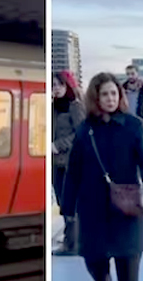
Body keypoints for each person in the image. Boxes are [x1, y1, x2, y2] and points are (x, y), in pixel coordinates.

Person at [60, 72, 143, 281]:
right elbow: (73, 171)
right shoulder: (86, 130)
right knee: (94, 259)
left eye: (114, 94)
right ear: (95, 97)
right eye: (104, 94)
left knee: (129, 257)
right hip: (92, 206)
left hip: (127, 204)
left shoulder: (134, 125)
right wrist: (68, 207)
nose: (110, 99)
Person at [52, 70, 85, 256]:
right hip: (56, 163)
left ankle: (72, 243)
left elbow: (80, 133)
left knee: (70, 202)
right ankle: (71, 239)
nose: (56, 89)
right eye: (53, 85)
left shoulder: (74, 106)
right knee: (63, 202)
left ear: (67, 86)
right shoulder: (54, 108)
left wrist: (59, 145)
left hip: (70, 162)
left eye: (59, 85)